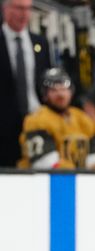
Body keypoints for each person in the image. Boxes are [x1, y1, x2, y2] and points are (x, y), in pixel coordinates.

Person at [0, 0, 51, 167]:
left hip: (36, 121)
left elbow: (46, 82)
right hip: (5, 125)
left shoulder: (40, 43)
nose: (24, 14)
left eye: (28, 9)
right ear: (5, 9)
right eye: (19, 8)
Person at [18, 68, 95, 169]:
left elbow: (94, 156)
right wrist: (76, 174)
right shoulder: (36, 120)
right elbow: (44, 162)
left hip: (78, 178)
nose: (60, 95)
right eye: (54, 90)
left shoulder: (82, 118)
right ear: (45, 95)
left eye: (64, 89)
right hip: (43, 180)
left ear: (71, 92)